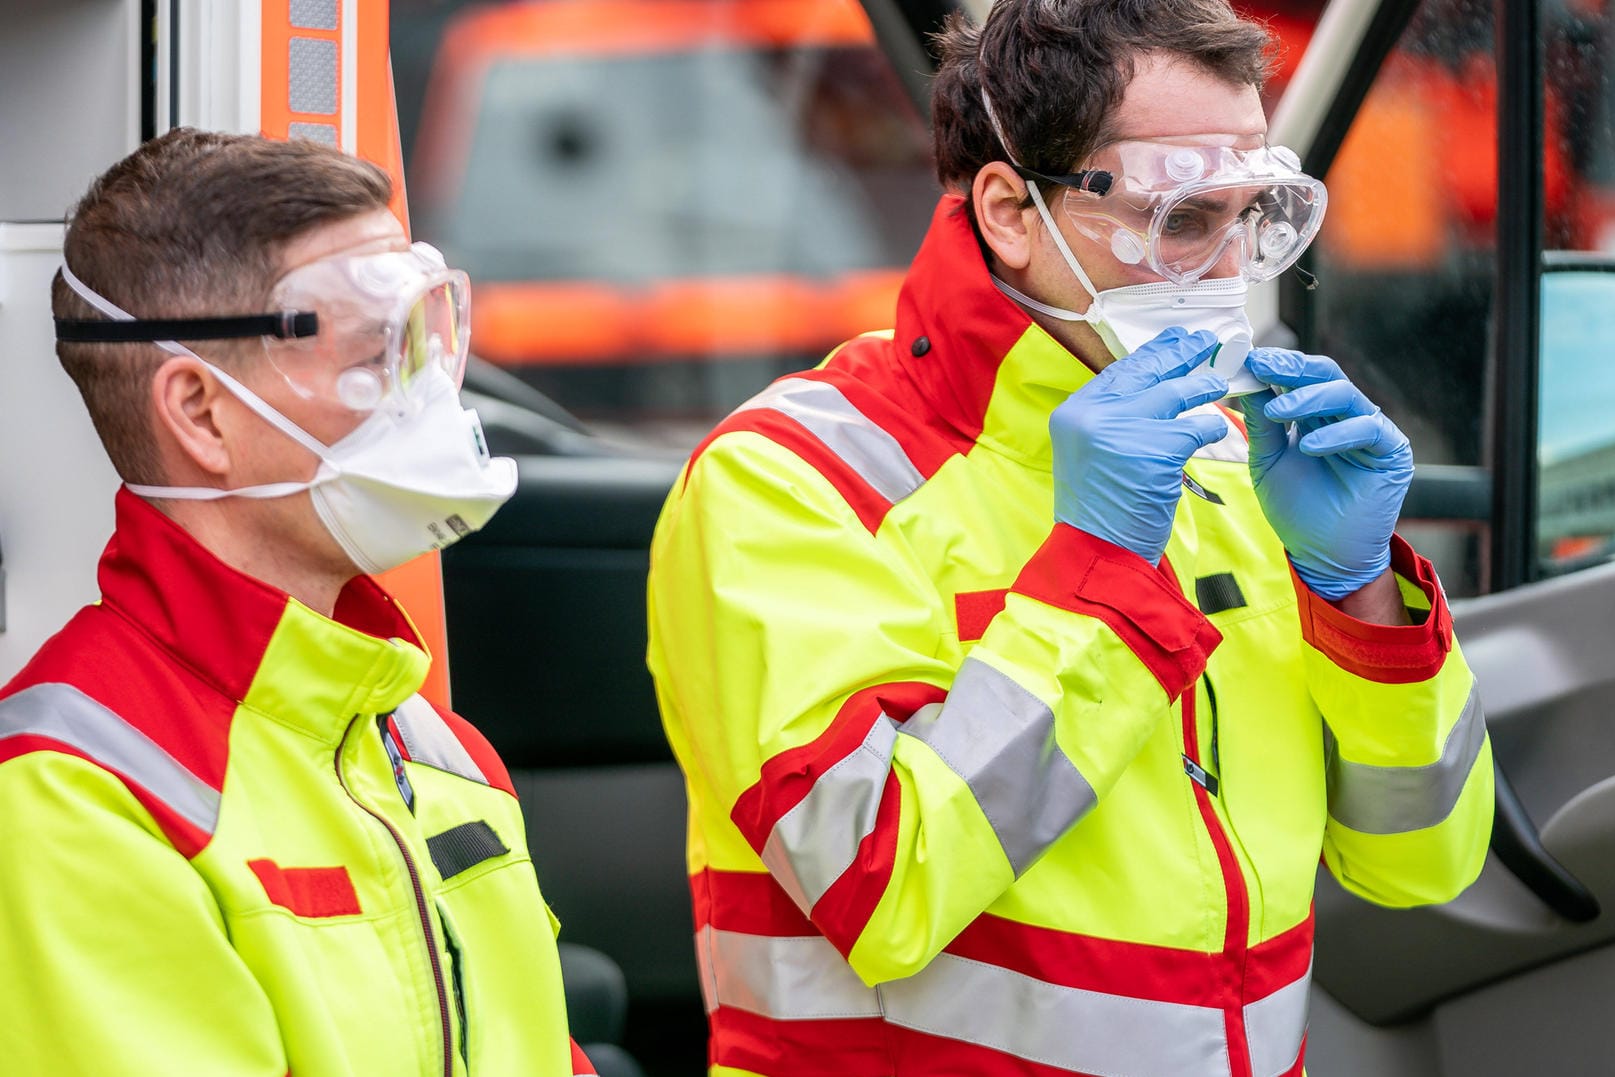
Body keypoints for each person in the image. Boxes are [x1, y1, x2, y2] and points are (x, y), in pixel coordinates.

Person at [645, 1, 1494, 1074]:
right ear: (1009, 210)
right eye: (1182, 218)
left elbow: (1421, 863)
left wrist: (1361, 595)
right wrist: (1095, 580)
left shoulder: (1230, 464)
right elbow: (879, 890)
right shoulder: (788, 477)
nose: (1230, 265)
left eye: (1256, 215)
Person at [0, 128, 596, 1076]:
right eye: (372, 358)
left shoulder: (431, 746)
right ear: (200, 413)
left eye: (422, 343)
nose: (426, 397)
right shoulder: (75, 799)